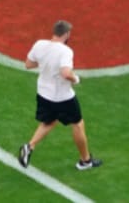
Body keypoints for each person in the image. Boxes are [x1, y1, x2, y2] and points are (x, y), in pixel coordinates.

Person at [17, 20, 103, 171]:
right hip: (62, 97)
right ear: (67, 34)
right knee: (77, 124)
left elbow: (28, 64)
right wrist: (76, 79)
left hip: (43, 93)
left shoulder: (39, 45)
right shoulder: (65, 51)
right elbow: (65, 73)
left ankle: (30, 146)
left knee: (49, 121)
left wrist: (46, 63)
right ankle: (85, 161)